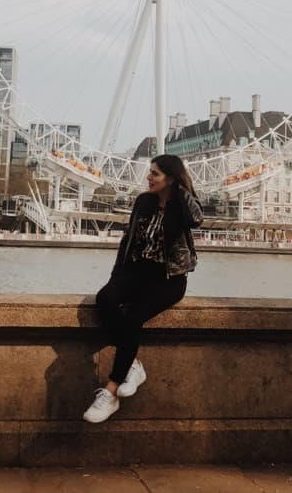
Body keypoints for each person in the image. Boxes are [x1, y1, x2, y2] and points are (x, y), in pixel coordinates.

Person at [83, 154, 203, 423]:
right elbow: (128, 240)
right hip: (138, 272)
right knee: (105, 299)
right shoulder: (144, 201)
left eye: (155, 174)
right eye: (149, 172)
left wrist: (180, 188)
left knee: (133, 316)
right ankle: (133, 365)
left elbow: (197, 218)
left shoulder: (181, 206)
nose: (148, 177)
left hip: (170, 279)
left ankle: (111, 391)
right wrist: (117, 276)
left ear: (169, 178)